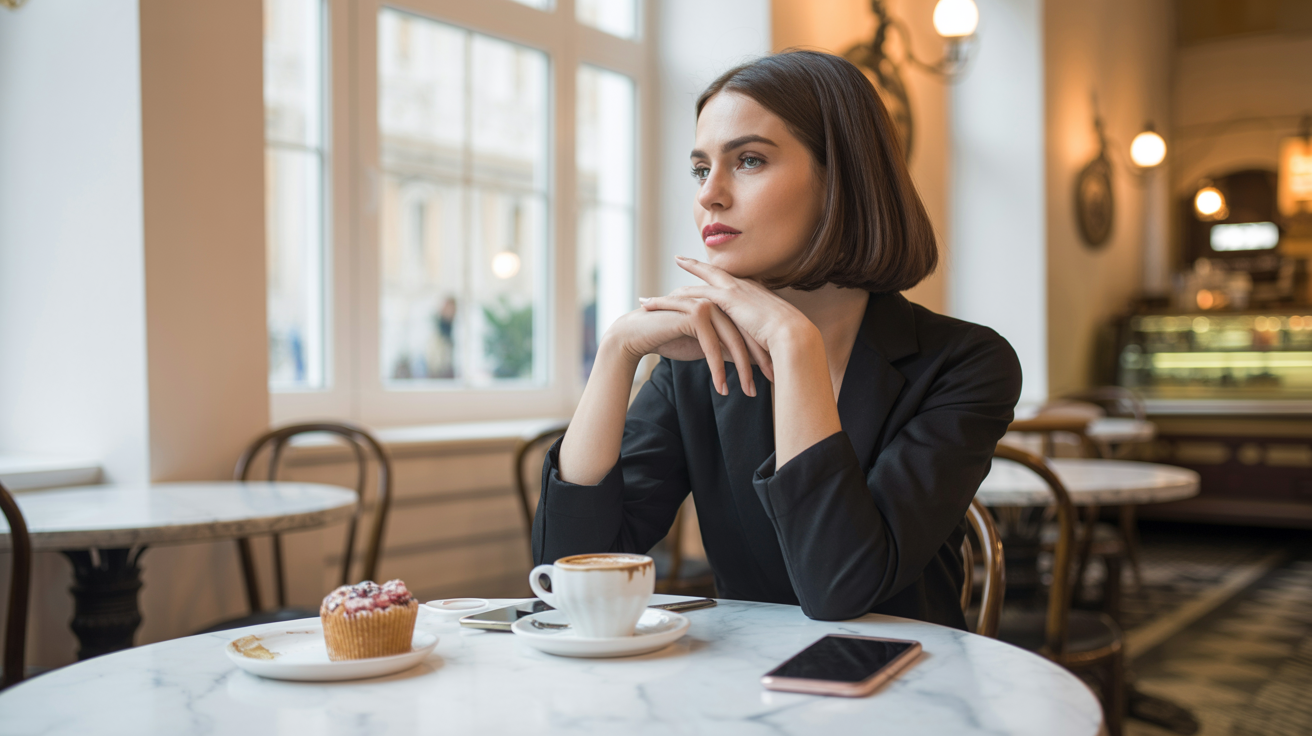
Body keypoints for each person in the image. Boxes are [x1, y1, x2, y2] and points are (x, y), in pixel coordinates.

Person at [532, 51, 1021, 629]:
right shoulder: (696, 363)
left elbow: (840, 590)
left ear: (842, 178)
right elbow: (567, 575)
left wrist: (794, 344)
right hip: (743, 697)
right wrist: (616, 352)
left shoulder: (965, 364)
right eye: (699, 168)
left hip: (908, 687)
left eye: (749, 160)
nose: (709, 194)